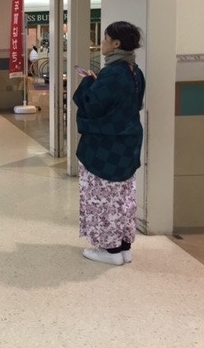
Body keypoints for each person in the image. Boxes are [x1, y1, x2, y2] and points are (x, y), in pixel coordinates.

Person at [73, 21, 146, 266]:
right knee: (123, 198)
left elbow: (92, 105)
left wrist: (88, 82)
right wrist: (98, 82)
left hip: (105, 147)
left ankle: (110, 250)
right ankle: (123, 247)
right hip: (128, 144)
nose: (102, 43)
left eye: (105, 39)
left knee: (101, 197)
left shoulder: (113, 73)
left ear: (116, 43)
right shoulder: (134, 71)